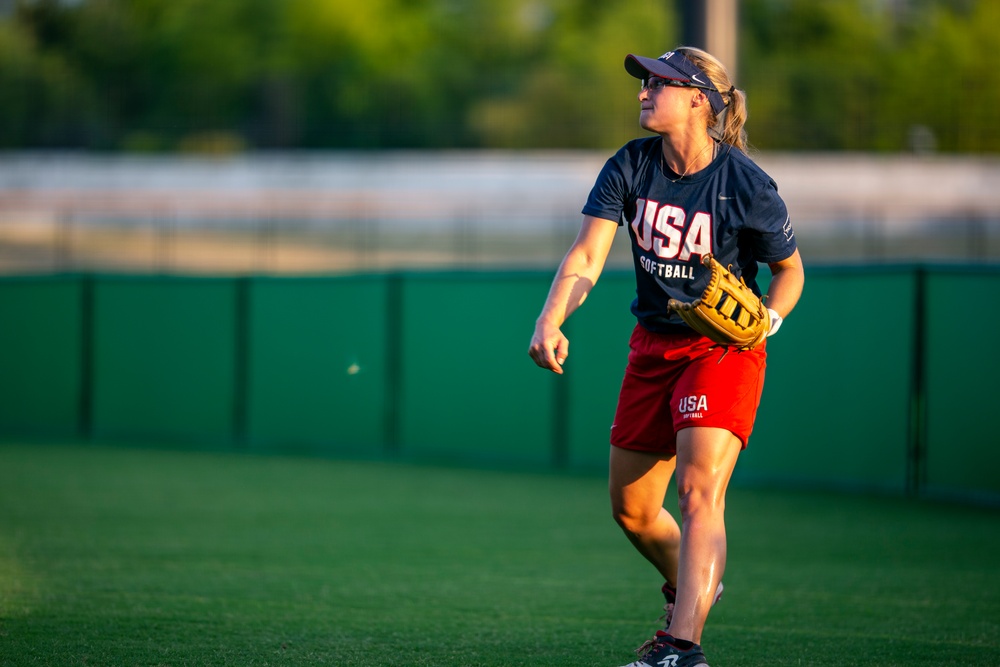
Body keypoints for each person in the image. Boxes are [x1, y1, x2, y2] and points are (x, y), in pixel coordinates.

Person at [528, 47, 804, 667]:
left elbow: (790, 271)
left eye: (659, 83)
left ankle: (682, 646)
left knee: (698, 491)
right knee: (631, 510)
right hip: (653, 344)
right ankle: (695, 586)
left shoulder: (747, 185)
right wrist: (551, 317)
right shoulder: (630, 165)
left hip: (723, 347)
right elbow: (586, 257)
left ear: (698, 99)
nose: (643, 93)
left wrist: (769, 320)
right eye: (645, 83)